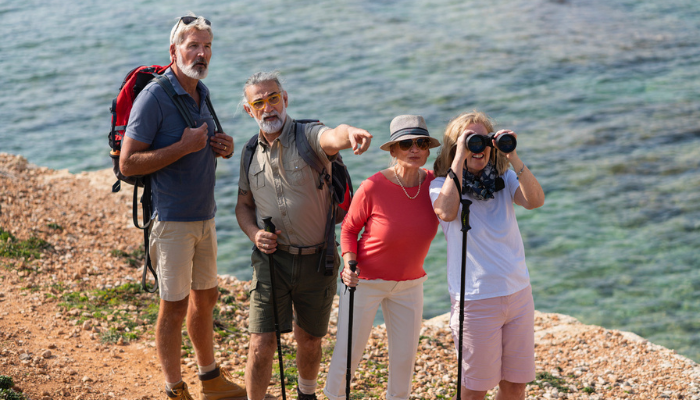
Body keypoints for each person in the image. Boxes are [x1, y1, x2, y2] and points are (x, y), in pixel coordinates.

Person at [119, 13, 246, 400]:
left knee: (205, 299)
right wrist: (184, 147)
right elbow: (128, 164)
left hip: (205, 216)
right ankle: (174, 387)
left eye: (207, 46)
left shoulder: (200, 92)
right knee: (173, 307)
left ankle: (209, 379)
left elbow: (201, 142)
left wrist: (222, 147)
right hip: (172, 220)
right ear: (173, 50)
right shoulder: (154, 97)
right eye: (193, 45)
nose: (202, 53)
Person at [235, 71, 373, 400]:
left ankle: (306, 395)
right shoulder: (249, 152)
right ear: (248, 110)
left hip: (318, 260)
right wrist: (255, 234)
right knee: (261, 343)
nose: (268, 107)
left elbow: (332, 136)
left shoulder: (308, 136)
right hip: (271, 262)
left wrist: (349, 132)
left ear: (285, 99)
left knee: (309, 339)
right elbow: (243, 206)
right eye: (259, 102)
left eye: (273, 98)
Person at [429, 111, 545, 400]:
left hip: (518, 293)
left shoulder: (504, 178)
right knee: (474, 389)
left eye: (481, 140)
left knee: (516, 386)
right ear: (454, 147)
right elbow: (446, 211)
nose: (477, 148)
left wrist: (512, 156)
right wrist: (460, 155)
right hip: (476, 299)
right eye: (469, 141)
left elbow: (535, 201)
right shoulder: (440, 185)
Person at [323, 115, 440, 400]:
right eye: (405, 144)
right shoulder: (373, 186)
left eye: (421, 143)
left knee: (404, 361)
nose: (414, 149)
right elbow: (350, 228)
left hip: (410, 285)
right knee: (349, 354)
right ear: (393, 150)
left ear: (427, 149)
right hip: (363, 281)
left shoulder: (436, 185)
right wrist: (349, 264)